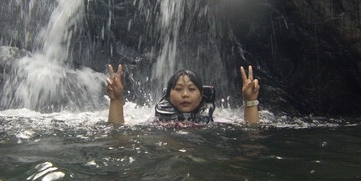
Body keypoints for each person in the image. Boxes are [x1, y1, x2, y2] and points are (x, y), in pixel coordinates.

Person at [105, 64, 260, 125]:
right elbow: (117, 130)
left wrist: (249, 101)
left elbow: (250, 130)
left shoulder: (215, 120)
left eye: (192, 89)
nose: (185, 94)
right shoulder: (155, 122)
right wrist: (116, 100)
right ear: (168, 95)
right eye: (178, 89)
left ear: (201, 96)